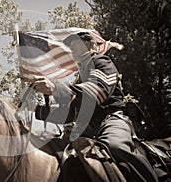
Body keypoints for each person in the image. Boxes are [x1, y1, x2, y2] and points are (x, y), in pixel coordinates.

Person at [31, 32, 158, 182]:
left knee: (116, 147)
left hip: (109, 122)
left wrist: (56, 88)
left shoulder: (102, 61)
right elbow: (69, 114)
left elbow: (98, 92)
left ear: (92, 44)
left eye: (76, 45)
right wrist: (36, 109)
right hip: (85, 132)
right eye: (71, 48)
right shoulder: (80, 77)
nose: (73, 50)